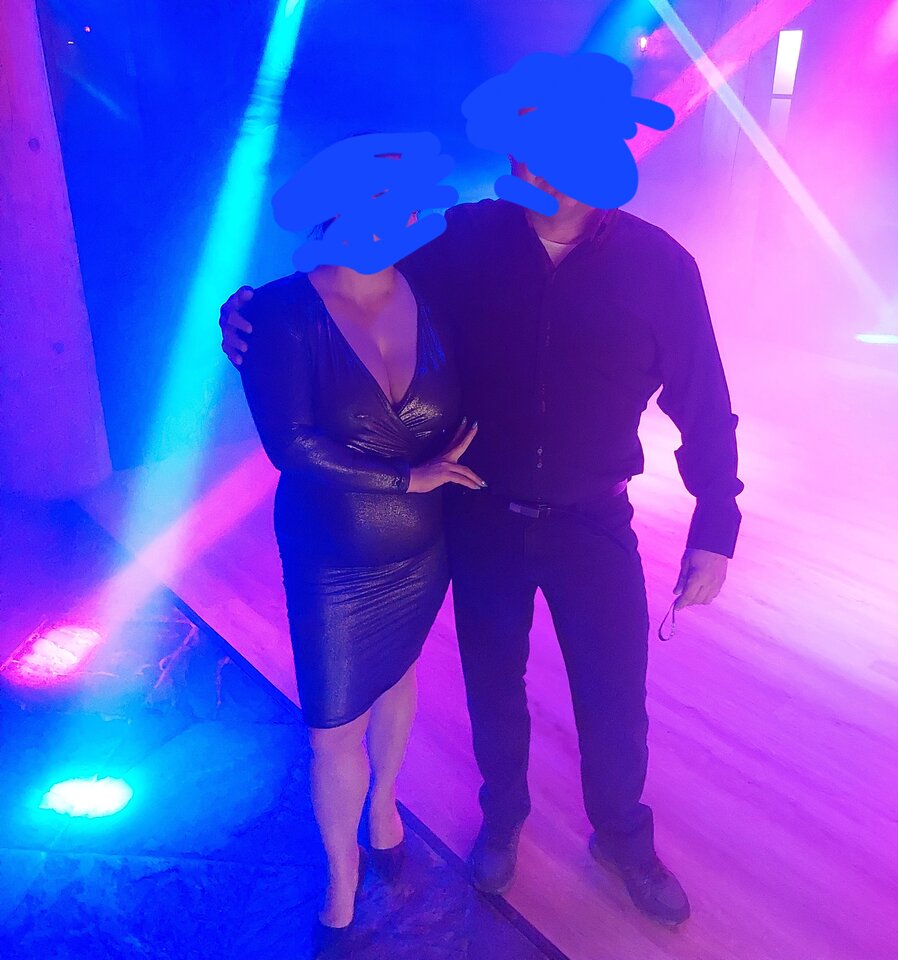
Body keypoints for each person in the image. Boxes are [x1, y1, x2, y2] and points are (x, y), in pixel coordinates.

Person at [222, 158, 743, 928]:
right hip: (480, 513)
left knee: (614, 693)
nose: (541, 166)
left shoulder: (659, 264)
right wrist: (253, 312)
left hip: (593, 520)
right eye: (527, 146)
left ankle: (622, 838)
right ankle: (502, 819)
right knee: (493, 686)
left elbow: (705, 400)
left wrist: (717, 521)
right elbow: (349, 273)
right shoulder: (458, 237)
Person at [235, 243, 484, 953]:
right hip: (330, 557)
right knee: (332, 727)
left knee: (398, 673)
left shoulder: (431, 286)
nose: (399, 215)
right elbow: (290, 446)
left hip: (422, 547)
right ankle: (340, 879)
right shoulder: (283, 310)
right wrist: (408, 478)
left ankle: (384, 807)